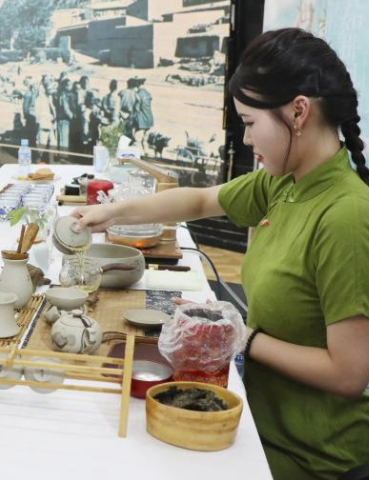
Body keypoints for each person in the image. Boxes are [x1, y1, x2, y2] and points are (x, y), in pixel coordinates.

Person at [72, 28, 369, 480]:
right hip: (256, 418)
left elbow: (347, 374)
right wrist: (112, 214)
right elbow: (199, 201)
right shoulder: (285, 183)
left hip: (311, 455)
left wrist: (242, 337)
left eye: (249, 123)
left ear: (298, 112)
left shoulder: (345, 216)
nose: (246, 139)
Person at [132, 78, 154, 151]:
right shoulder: (148, 94)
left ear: (137, 85)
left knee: (134, 136)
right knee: (144, 140)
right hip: (150, 119)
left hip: (142, 121)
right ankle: (146, 152)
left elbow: (136, 109)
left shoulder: (138, 95)